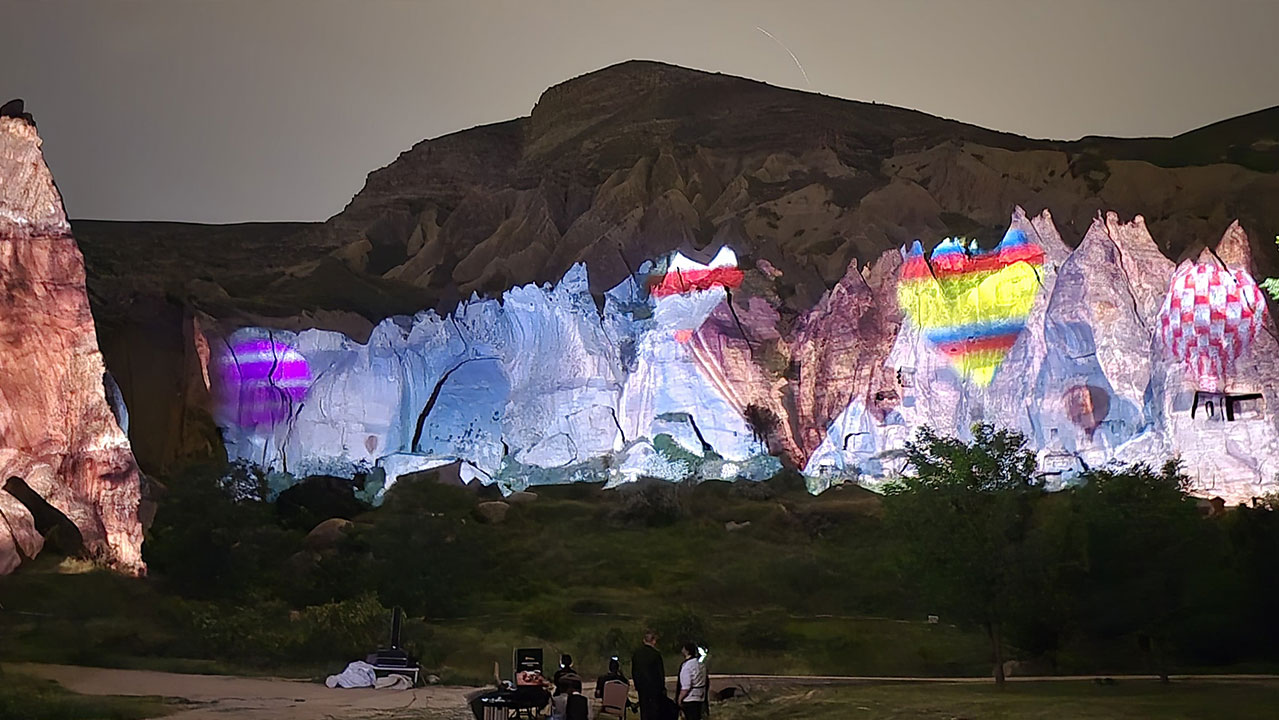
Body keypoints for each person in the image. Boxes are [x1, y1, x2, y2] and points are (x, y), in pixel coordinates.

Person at [630, 629, 666, 720]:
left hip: (642, 687)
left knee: (645, 711)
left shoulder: (637, 654)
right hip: (654, 688)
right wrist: (662, 687)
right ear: (654, 641)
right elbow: (660, 673)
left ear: (644, 640)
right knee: (654, 713)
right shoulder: (656, 655)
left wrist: (637, 684)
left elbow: (634, 671)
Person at [676, 643, 707, 720]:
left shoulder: (687, 666)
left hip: (689, 698)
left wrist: (679, 698)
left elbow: (686, 686)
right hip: (700, 697)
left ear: (686, 651)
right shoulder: (701, 665)